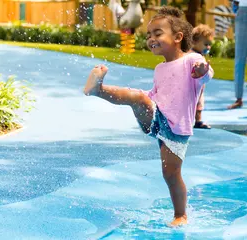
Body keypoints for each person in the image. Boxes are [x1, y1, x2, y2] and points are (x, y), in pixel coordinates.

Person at [83, 6, 214, 227]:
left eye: (157, 33)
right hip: (156, 116)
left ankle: (181, 214)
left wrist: (203, 71)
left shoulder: (192, 59)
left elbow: (206, 73)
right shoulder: (160, 68)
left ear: (177, 37)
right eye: (149, 35)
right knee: (137, 97)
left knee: (170, 174)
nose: (151, 38)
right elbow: (158, 93)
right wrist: (147, 101)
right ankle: (98, 89)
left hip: (176, 129)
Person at [189, 24, 214, 129]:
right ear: (194, 42)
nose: (208, 47)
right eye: (206, 44)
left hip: (200, 86)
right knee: (190, 103)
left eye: (209, 44)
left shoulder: (200, 55)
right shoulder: (191, 55)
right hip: (191, 87)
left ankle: (198, 120)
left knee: (199, 103)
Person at [228, 0, 247, 109]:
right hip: (243, 10)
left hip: (242, 10)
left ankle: (238, 99)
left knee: (240, 58)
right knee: (240, 58)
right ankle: (238, 98)